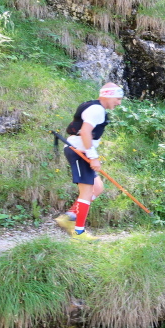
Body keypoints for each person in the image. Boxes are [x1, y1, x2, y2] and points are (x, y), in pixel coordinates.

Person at [55, 82, 123, 240]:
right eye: (117, 99)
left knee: (97, 188)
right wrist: (93, 157)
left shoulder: (95, 107)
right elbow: (85, 132)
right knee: (86, 192)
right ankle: (79, 232)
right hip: (80, 152)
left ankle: (69, 217)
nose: (119, 103)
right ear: (108, 96)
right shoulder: (96, 110)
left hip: (81, 151)